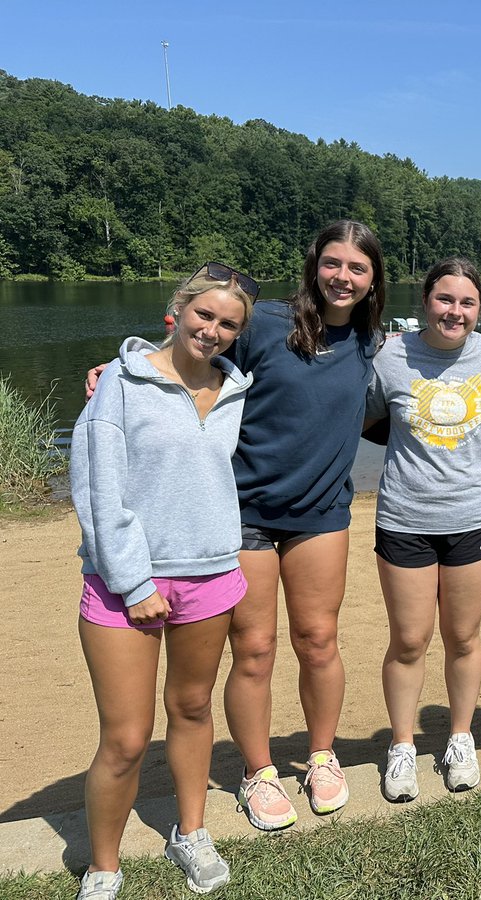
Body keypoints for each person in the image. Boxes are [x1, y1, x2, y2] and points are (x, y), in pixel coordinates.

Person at [90, 222, 388, 828]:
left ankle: (322, 757)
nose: (343, 277)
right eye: (333, 263)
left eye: (358, 268)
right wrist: (117, 372)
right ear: (314, 265)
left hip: (323, 512)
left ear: (373, 279)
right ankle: (258, 771)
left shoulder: (370, 340)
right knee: (253, 649)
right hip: (243, 512)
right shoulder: (266, 324)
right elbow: (192, 353)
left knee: (319, 641)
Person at [71, 265, 255, 899]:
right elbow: (99, 490)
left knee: (193, 708)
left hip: (211, 575)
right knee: (124, 737)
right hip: (124, 585)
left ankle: (191, 831)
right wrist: (133, 580)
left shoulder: (235, 388)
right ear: (177, 310)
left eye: (229, 323)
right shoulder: (121, 383)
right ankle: (103, 865)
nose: (214, 330)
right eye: (204, 314)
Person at [363, 258, 481, 801]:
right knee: (409, 640)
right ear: (425, 302)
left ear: (480, 308)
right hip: (404, 517)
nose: (455, 311)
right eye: (444, 300)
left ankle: (459, 737)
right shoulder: (390, 356)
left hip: (472, 518)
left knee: (463, 637)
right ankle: (402, 746)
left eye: (467, 302)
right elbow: (357, 418)